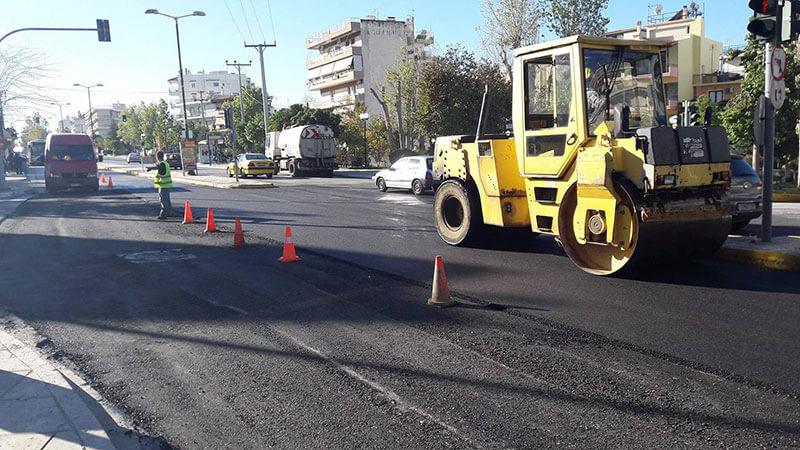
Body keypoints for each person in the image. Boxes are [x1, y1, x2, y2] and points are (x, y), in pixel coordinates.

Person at [151, 151, 173, 219]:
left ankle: (163, 214)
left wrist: (151, 168)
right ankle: (170, 213)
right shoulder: (166, 163)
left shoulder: (162, 164)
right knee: (167, 200)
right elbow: (159, 167)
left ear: (157, 157)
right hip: (167, 185)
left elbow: (159, 167)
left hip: (163, 185)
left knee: (163, 200)